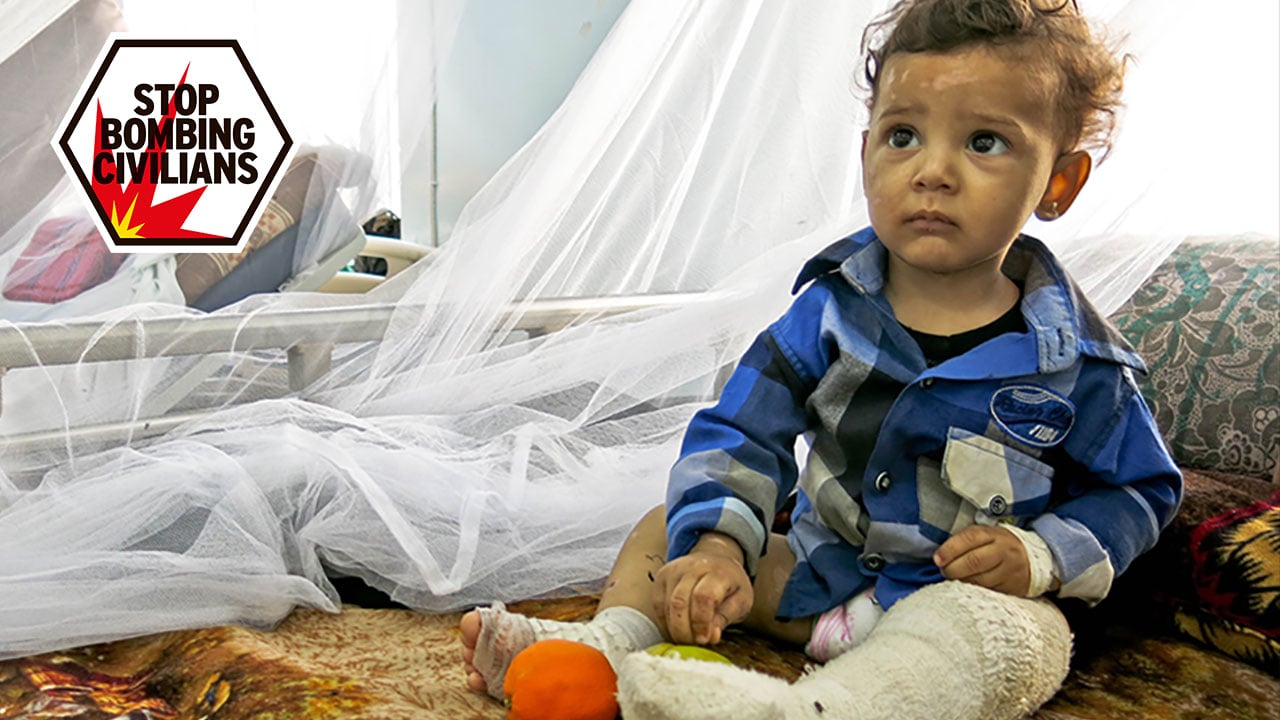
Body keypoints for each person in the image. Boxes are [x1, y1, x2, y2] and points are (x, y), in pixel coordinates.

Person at [460, 0, 1183, 717]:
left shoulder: (1083, 367)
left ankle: (825, 708)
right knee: (666, 528)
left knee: (1026, 638)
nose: (933, 171)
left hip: (943, 609)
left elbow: (1141, 492)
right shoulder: (828, 313)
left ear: (1059, 183)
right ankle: (602, 651)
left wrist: (1041, 556)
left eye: (985, 143)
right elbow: (743, 432)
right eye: (903, 135)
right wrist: (717, 551)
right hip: (813, 580)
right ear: (865, 152)